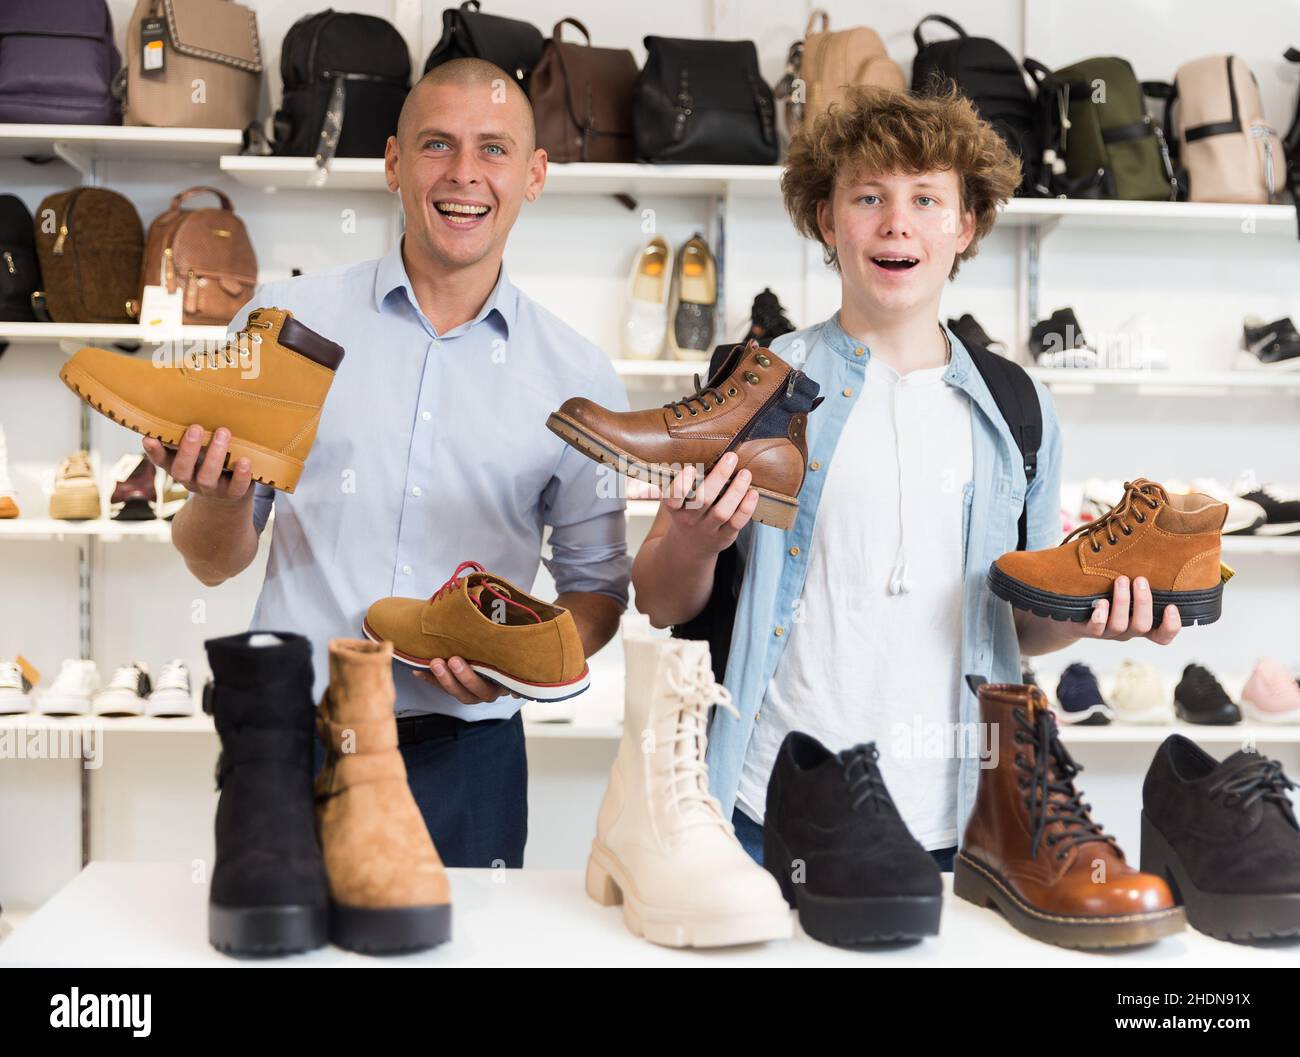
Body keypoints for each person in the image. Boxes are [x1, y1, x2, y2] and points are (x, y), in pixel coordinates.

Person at [632, 87, 1182, 871]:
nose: (897, 222)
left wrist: (1093, 617)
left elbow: (1019, 625)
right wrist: (691, 539)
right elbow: (658, 597)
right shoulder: (750, 382)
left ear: (964, 225)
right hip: (765, 808)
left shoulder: (1021, 409)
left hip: (956, 820)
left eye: (926, 198)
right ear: (828, 220)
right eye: (869, 196)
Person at [146, 59, 631, 868]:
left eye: (494, 149)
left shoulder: (579, 377)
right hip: (292, 742)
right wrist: (220, 499)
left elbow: (596, 593)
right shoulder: (287, 324)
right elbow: (209, 562)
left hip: (468, 762)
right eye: (437, 145)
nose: (464, 174)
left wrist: (519, 667)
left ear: (535, 174)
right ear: (395, 163)